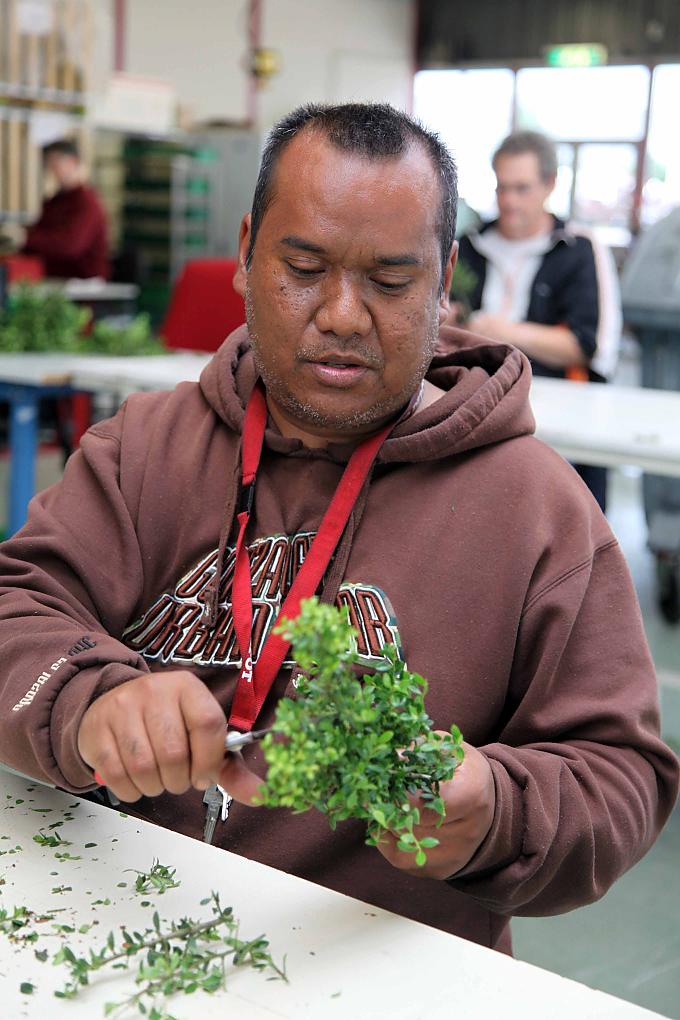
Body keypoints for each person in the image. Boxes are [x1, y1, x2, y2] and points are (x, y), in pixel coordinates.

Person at [0, 104, 676, 956]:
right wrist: (87, 700)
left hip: (382, 964)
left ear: (444, 277)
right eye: (305, 267)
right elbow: (16, 604)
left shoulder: (538, 510)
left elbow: (621, 776)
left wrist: (496, 809)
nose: (345, 315)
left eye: (391, 281)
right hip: (122, 934)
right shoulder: (142, 448)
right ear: (246, 252)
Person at [456, 130, 621, 512]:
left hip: (560, 414)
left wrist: (503, 332)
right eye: (501, 188)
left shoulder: (578, 249)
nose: (508, 201)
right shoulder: (470, 244)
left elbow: (585, 345)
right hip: (479, 406)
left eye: (521, 188)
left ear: (550, 184)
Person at [20, 138, 109, 280]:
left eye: (55, 164)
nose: (51, 170)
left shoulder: (86, 203)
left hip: (83, 285)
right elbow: (41, 234)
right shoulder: (54, 202)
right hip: (52, 279)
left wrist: (25, 238)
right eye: (48, 165)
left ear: (73, 162)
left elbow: (69, 246)